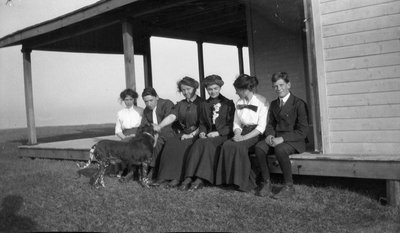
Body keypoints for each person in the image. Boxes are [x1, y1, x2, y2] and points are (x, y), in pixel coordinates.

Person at [254, 72, 309, 199]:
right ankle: (267, 183)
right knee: (259, 147)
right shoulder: (273, 104)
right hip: (276, 139)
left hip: (295, 140)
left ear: (288, 85)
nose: (278, 89)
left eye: (281, 85)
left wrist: (282, 138)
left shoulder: (299, 104)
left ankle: (289, 186)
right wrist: (269, 136)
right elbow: (270, 125)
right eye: (275, 86)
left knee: (280, 149)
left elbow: (303, 131)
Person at [178, 75, 235, 191]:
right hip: (208, 135)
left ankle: (201, 178)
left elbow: (231, 124)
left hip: (223, 135)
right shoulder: (204, 104)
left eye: (215, 88)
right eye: (210, 89)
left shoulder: (228, 103)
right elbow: (203, 123)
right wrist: (202, 132)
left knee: (208, 144)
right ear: (206, 90)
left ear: (220, 88)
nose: (212, 91)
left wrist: (218, 133)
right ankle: (188, 177)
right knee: (198, 143)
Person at [215, 74, 268, 192]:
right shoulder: (239, 102)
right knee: (227, 145)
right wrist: (237, 134)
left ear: (245, 89)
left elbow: (261, 127)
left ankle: (244, 183)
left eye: (237, 90)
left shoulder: (262, 101)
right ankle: (228, 180)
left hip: (256, 134)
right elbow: (237, 123)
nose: (236, 93)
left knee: (239, 147)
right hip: (243, 132)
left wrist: (244, 138)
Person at [153, 76, 205, 188]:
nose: (186, 92)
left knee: (183, 145)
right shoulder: (180, 104)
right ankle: (164, 176)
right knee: (171, 143)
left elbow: (204, 123)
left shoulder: (202, 103)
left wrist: (191, 135)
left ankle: (177, 178)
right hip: (184, 132)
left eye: (188, 89)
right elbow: (172, 116)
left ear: (194, 88)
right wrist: (160, 125)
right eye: (183, 90)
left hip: (197, 133)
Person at [138, 87, 175, 183]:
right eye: (146, 101)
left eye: (151, 100)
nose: (149, 104)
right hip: (154, 133)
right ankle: (137, 170)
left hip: (169, 132)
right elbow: (143, 125)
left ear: (157, 97)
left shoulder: (167, 103)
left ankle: (152, 169)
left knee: (158, 141)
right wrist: (151, 126)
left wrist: (157, 128)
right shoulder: (146, 110)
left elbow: (170, 121)